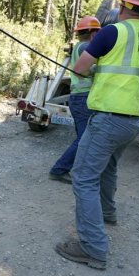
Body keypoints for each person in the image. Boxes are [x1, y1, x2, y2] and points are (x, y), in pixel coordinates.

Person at [55, 0, 139, 270]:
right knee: (109, 167)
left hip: (109, 118)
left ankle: (92, 248)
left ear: (125, 6)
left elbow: (79, 68)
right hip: (134, 121)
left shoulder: (113, 32)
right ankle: (107, 213)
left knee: (83, 176)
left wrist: (96, 70)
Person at [48, 16, 101, 184]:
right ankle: (59, 169)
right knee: (84, 138)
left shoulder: (80, 46)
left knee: (84, 137)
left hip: (78, 97)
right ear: (93, 33)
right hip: (83, 97)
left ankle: (75, 168)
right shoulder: (87, 47)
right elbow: (92, 69)